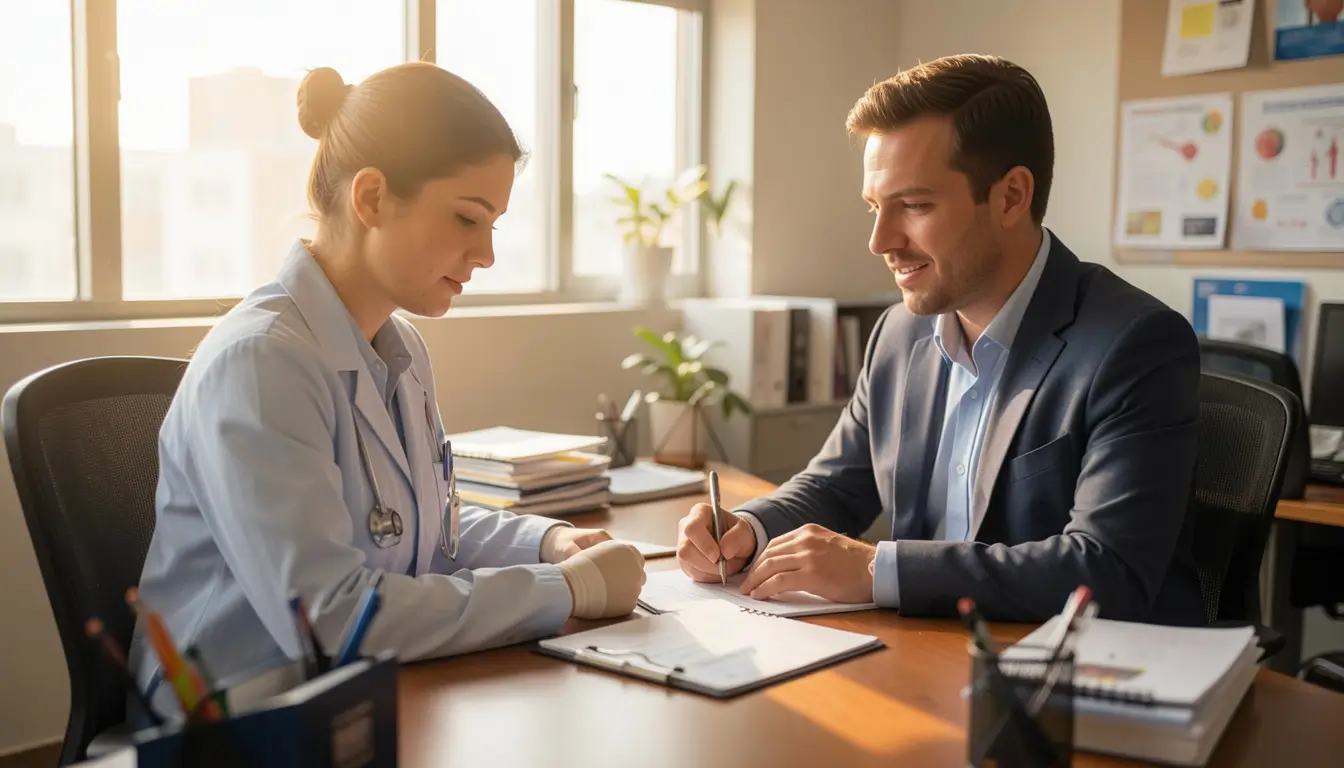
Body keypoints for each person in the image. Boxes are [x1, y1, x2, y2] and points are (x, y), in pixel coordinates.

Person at [130, 62, 646, 717]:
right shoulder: (262, 364)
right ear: (371, 198)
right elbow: (334, 620)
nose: (487, 254)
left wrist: (549, 543)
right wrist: (563, 591)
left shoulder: (398, 349)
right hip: (239, 717)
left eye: (494, 225)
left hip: (363, 695)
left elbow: (426, 530)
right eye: (467, 218)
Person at [676, 54, 1204, 625]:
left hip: (1059, 676)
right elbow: (836, 486)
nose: (880, 241)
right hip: (923, 654)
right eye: (876, 207)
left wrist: (877, 570)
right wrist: (746, 530)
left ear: (1010, 197)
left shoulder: (1134, 344)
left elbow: (1105, 571)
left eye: (915, 205)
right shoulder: (899, 333)